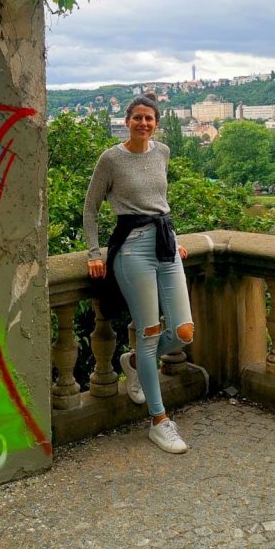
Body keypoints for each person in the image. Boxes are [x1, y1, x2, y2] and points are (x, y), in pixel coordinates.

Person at [83, 95, 193, 454]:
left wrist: (173, 241)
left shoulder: (162, 152)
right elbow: (91, 208)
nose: (143, 124)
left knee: (183, 332)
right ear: (126, 121)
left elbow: (159, 203)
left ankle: (132, 363)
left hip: (165, 243)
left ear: (156, 124)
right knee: (149, 333)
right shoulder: (111, 159)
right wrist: (94, 253)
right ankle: (159, 421)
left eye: (149, 119)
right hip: (131, 249)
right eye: (137, 118)